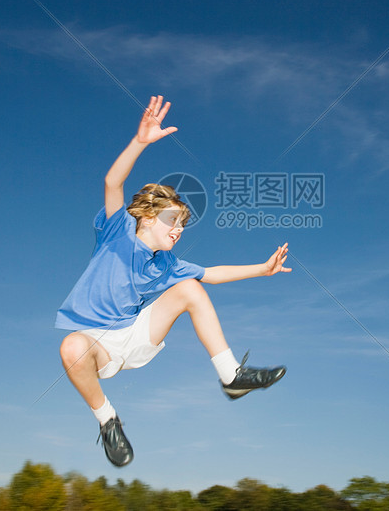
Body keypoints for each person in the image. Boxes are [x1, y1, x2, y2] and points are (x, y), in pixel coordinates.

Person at [56, 95, 290, 467]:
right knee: (71, 348)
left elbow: (211, 274)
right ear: (146, 218)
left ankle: (232, 376)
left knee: (190, 288)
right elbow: (112, 181)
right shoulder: (116, 231)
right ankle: (108, 421)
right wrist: (141, 142)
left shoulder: (166, 264)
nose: (178, 230)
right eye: (171, 221)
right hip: (97, 343)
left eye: (182, 225)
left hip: (136, 334)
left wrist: (261, 269)